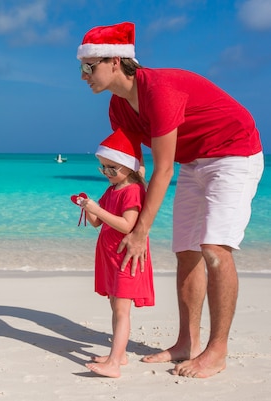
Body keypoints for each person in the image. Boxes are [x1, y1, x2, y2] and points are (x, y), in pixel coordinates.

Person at [76, 22, 264, 378]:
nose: (83, 75)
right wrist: (115, 212)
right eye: (81, 68)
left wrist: (141, 231)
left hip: (234, 153)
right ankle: (185, 343)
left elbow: (164, 170)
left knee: (214, 248)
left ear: (115, 62)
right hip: (193, 162)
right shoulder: (119, 108)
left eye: (89, 67)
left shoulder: (158, 90)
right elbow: (137, 172)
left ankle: (217, 351)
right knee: (186, 251)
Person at [73, 128, 154, 378]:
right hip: (110, 256)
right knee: (114, 305)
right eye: (102, 168)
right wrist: (88, 208)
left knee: (121, 309)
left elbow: (127, 225)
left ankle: (114, 364)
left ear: (128, 168)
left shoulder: (132, 191)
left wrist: (99, 209)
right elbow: (99, 223)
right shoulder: (112, 189)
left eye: (111, 168)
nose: (106, 173)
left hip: (126, 256)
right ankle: (119, 355)